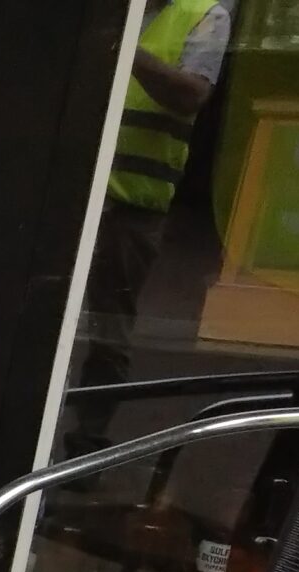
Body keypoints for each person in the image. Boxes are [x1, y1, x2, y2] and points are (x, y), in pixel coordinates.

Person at [69, 0, 232, 455]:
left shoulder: (204, 14)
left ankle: (87, 447)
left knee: (108, 331)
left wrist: (125, 51)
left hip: (133, 206)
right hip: (70, 195)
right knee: (47, 320)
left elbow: (191, 95)